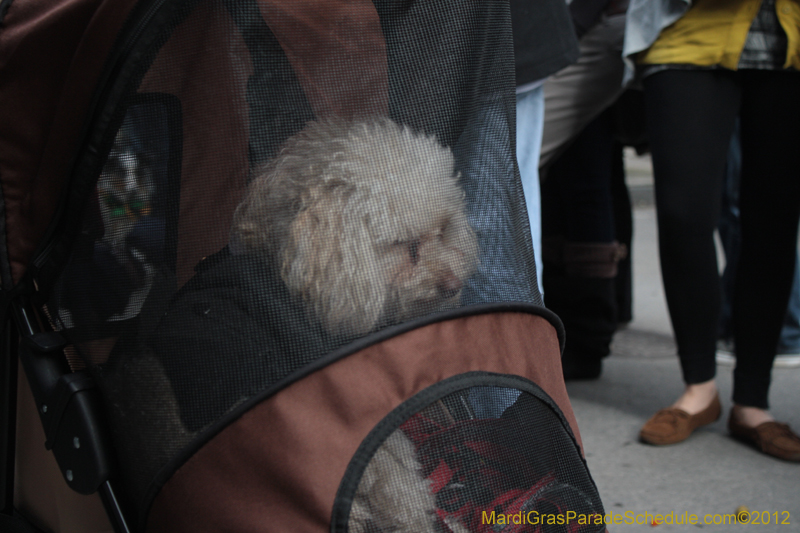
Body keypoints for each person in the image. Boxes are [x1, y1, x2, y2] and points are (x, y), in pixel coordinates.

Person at [624, 0, 800, 461]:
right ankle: (699, 387)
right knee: (684, 214)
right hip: (689, 31)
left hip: (791, 43)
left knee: (774, 222)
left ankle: (753, 402)